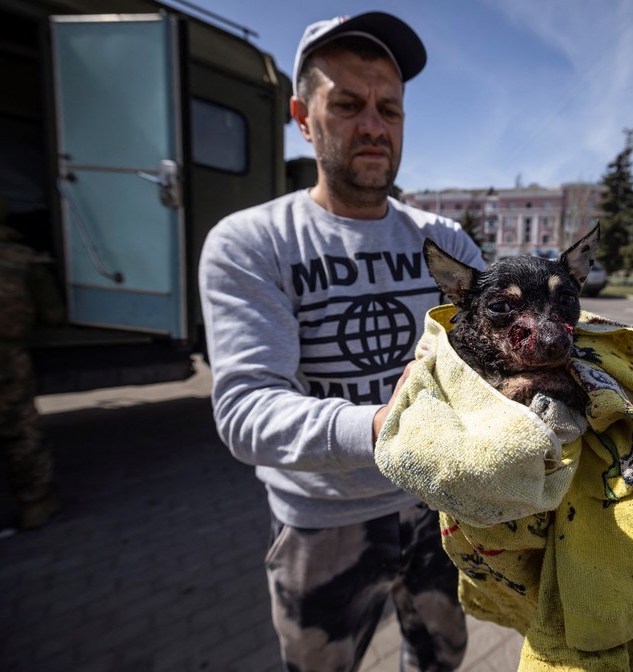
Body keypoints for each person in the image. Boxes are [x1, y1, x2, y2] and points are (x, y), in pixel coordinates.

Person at [198, 12, 484, 671]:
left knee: (442, 657)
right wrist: (385, 428)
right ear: (302, 116)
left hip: (441, 510)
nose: (374, 126)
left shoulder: (448, 242)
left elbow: (490, 358)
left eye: (390, 108)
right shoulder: (252, 243)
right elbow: (246, 411)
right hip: (324, 525)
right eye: (348, 104)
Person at [0, 213, 58, 555]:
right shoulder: (19, 256)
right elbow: (52, 313)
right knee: (22, 435)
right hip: (7, 359)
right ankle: (37, 506)